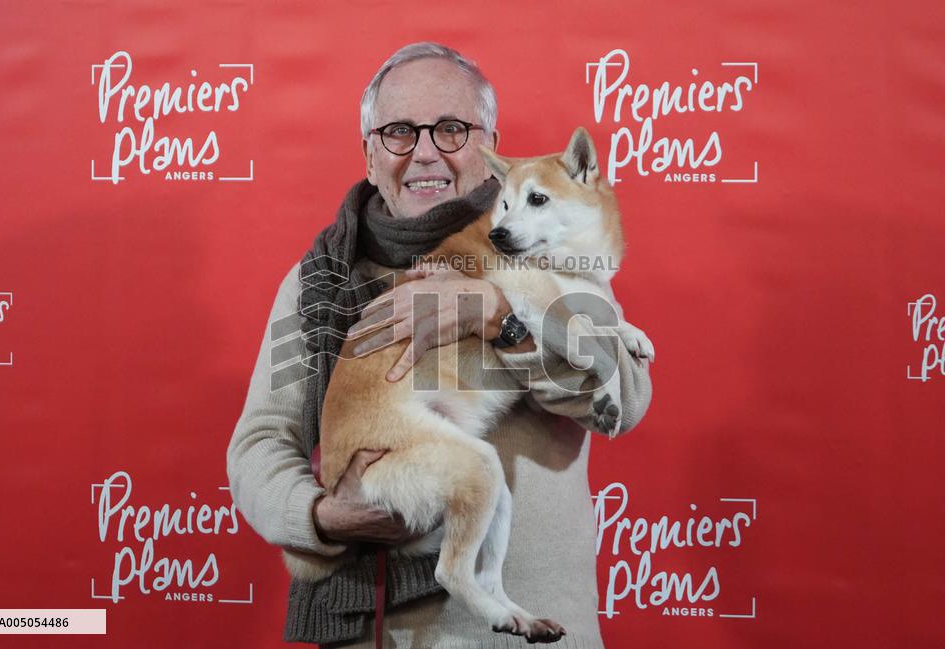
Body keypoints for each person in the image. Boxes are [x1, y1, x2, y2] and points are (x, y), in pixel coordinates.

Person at [226, 41, 652, 649]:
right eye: (399, 132)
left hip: (533, 634)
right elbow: (261, 443)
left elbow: (625, 400)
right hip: (375, 633)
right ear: (370, 156)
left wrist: (498, 315)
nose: (425, 151)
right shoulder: (316, 283)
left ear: (490, 149)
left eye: (452, 129)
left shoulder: (544, 239)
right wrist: (322, 518)